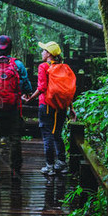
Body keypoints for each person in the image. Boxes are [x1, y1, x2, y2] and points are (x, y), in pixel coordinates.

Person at [0, 35, 33, 181]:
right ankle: (15, 171)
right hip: (13, 109)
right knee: (15, 140)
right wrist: (24, 93)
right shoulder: (18, 65)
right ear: (10, 48)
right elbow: (27, 86)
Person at [22, 40, 76, 175]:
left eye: (44, 50)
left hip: (47, 106)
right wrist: (71, 108)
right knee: (57, 134)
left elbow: (42, 88)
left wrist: (30, 99)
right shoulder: (64, 67)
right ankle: (62, 164)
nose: (42, 52)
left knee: (47, 136)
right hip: (61, 106)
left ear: (48, 54)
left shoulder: (43, 67)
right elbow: (67, 90)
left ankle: (49, 166)